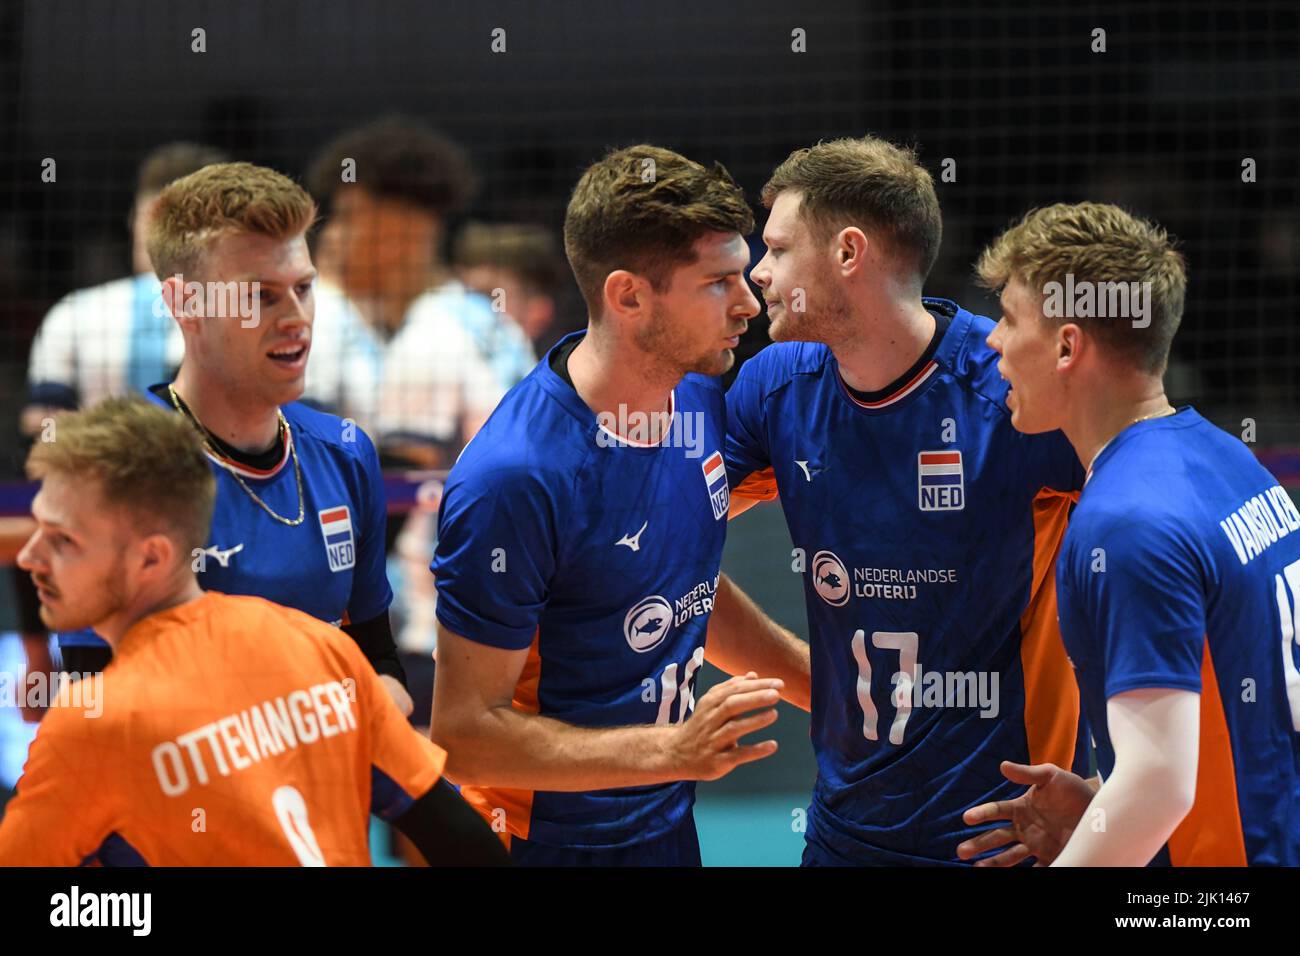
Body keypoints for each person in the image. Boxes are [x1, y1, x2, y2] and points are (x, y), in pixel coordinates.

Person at [429, 145, 810, 866]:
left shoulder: (694, 393)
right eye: (718, 282)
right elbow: (464, 736)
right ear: (629, 296)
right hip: (537, 842)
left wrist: (825, 686)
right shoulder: (516, 478)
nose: (749, 303)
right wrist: (674, 747)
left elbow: (676, 584)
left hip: (664, 825)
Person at [725, 136, 1088, 866]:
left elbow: (1168, 550)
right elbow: (662, 550)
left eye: (778, 249)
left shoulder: (1014, 388)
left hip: (1001, 838)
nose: (758, 273)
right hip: (840, 832)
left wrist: (1115, 791)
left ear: (849, 253)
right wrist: (822, 686)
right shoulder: (775, 388)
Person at [0, 398, 507, 865]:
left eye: (62, 539)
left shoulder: (91, 725)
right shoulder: (319, 647)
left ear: (151, 557)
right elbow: (461, 838)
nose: (28, 557)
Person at [962, 202, 1300, 865]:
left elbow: (1158, 785)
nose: (992, 342)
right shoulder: (1228, 460)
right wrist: (1101, 801)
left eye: (1008, 318)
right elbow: (1236, 713)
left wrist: (1118, 813)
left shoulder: (1124, 520)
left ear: (1066, 345)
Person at [57, 161, 413, 714]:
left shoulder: (345, 451)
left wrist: (377, 706)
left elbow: (378, 658)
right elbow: (92, 707)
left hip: (322, 791)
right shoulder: (119, 476)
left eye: (303, 288)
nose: (296, 318)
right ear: (185, 305)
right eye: (261, 296)